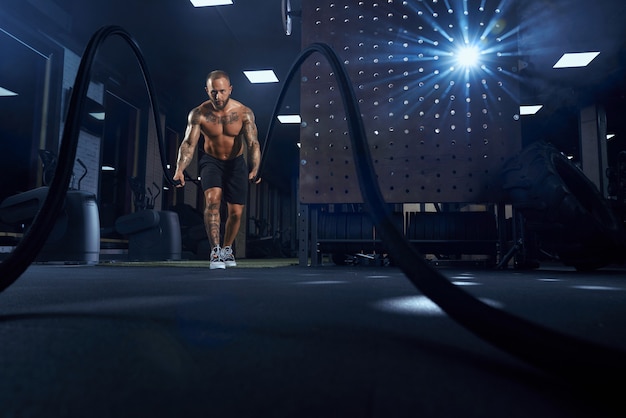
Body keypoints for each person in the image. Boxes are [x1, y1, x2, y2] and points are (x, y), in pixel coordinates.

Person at [173, 70, 261, 269]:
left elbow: (253, 143)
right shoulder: (199, 114)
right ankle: (215, 251)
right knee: (212, 201)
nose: (218, 97)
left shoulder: (243, 112)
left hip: (236, 163)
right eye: (213, 92)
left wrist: (255, 168)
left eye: (222, 91)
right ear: (207, 90)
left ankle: (227, 248)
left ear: (230, 89)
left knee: (236, 212)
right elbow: (188, 144)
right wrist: (179, 169)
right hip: (211, 161)